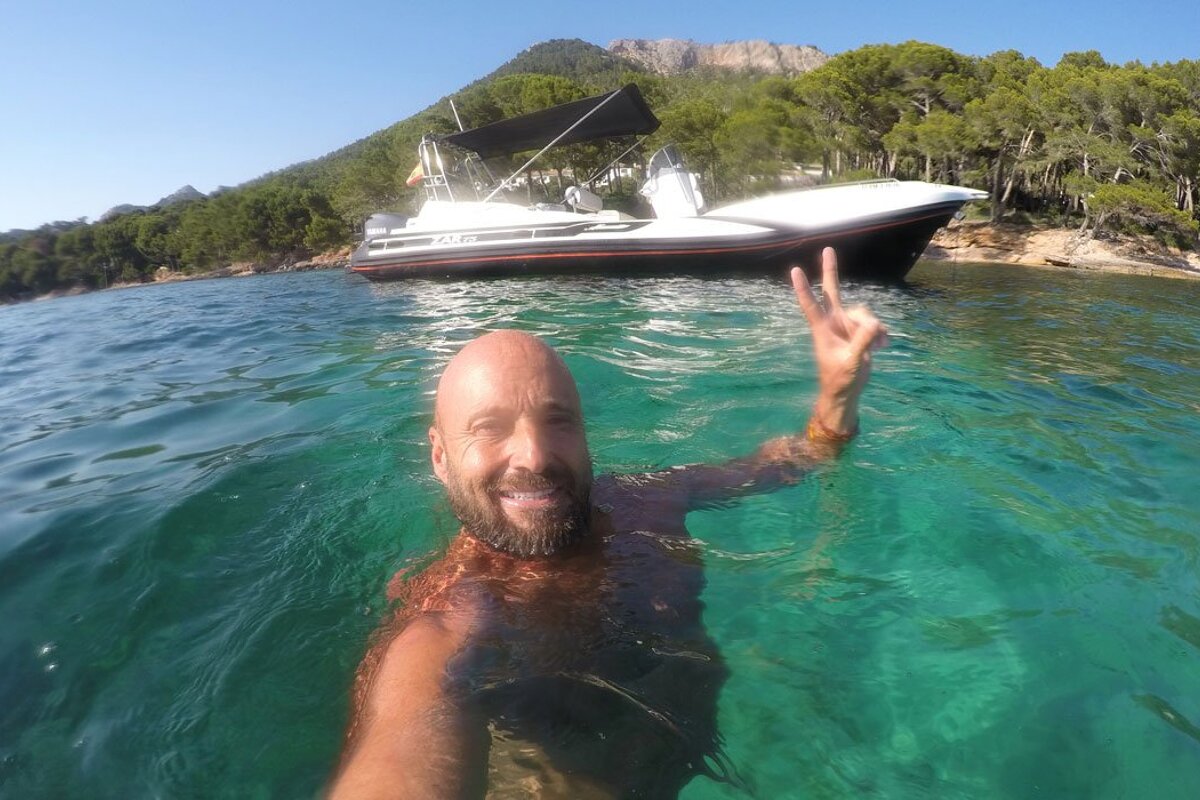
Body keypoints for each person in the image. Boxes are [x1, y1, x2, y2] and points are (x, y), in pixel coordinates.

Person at [329, 248, 888, 799]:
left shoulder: (651, 498)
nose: (534, 455)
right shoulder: (450, 609)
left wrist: (837, 401)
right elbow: (401, 738)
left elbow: (781, 468)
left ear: (586, 433)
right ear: (439, 458)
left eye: (558, 421)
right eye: (489, 427)